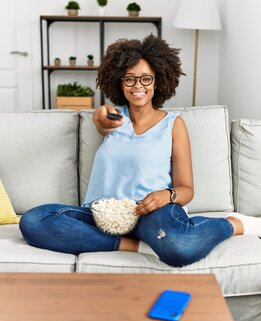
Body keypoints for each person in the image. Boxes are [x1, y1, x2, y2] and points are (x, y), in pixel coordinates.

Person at [19, 35, 261, 267]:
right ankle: (134, 245)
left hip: (151, 212)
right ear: (119, 82)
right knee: (33, 221)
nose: (138, 86)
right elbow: (102, 117)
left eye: (146, 78)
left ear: (157, 81)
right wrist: (99, 114)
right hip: (102, 215)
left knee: (180, 248)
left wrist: (166, 196)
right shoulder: (115, 118)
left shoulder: (173, 124)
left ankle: (232, 224)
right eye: (129, 79)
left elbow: (186, 190)